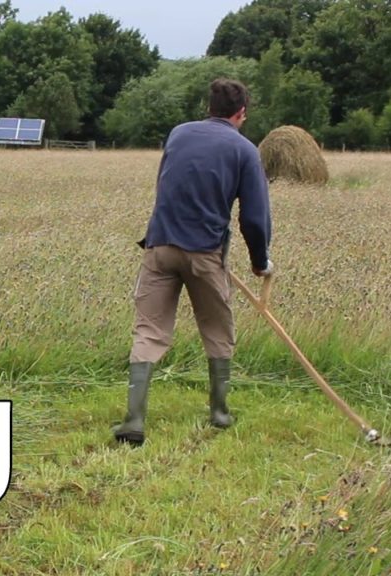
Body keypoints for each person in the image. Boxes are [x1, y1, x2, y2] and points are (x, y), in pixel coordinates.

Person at [113, 78, 273, 446]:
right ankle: (219, 412)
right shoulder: (245, 150)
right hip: (205, 253)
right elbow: (254, 217)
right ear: (241, 113)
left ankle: (134, 420)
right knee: (218, 330)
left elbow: (166, 185)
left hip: (160, 246)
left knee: (149, 331)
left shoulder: (179, 134)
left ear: (209, 106)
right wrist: (260, 261)